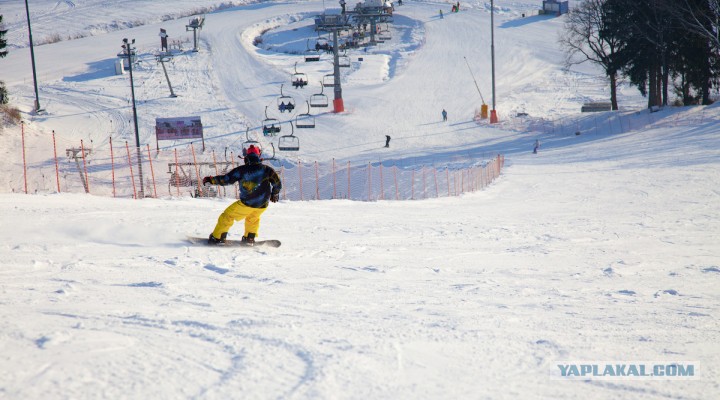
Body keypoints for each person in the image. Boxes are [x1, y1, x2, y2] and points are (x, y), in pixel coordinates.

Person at [202, 145, 282, 246]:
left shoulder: (241, 170)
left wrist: (212, 180)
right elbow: (277, 182)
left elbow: (226, 179)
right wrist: (275, 193)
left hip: (248, 203)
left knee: (227, 216)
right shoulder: (266, 169)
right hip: (262, 204)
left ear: (246, 157)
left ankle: (218, 238)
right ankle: (249, 239)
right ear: (258, 156)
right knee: (253, 218)